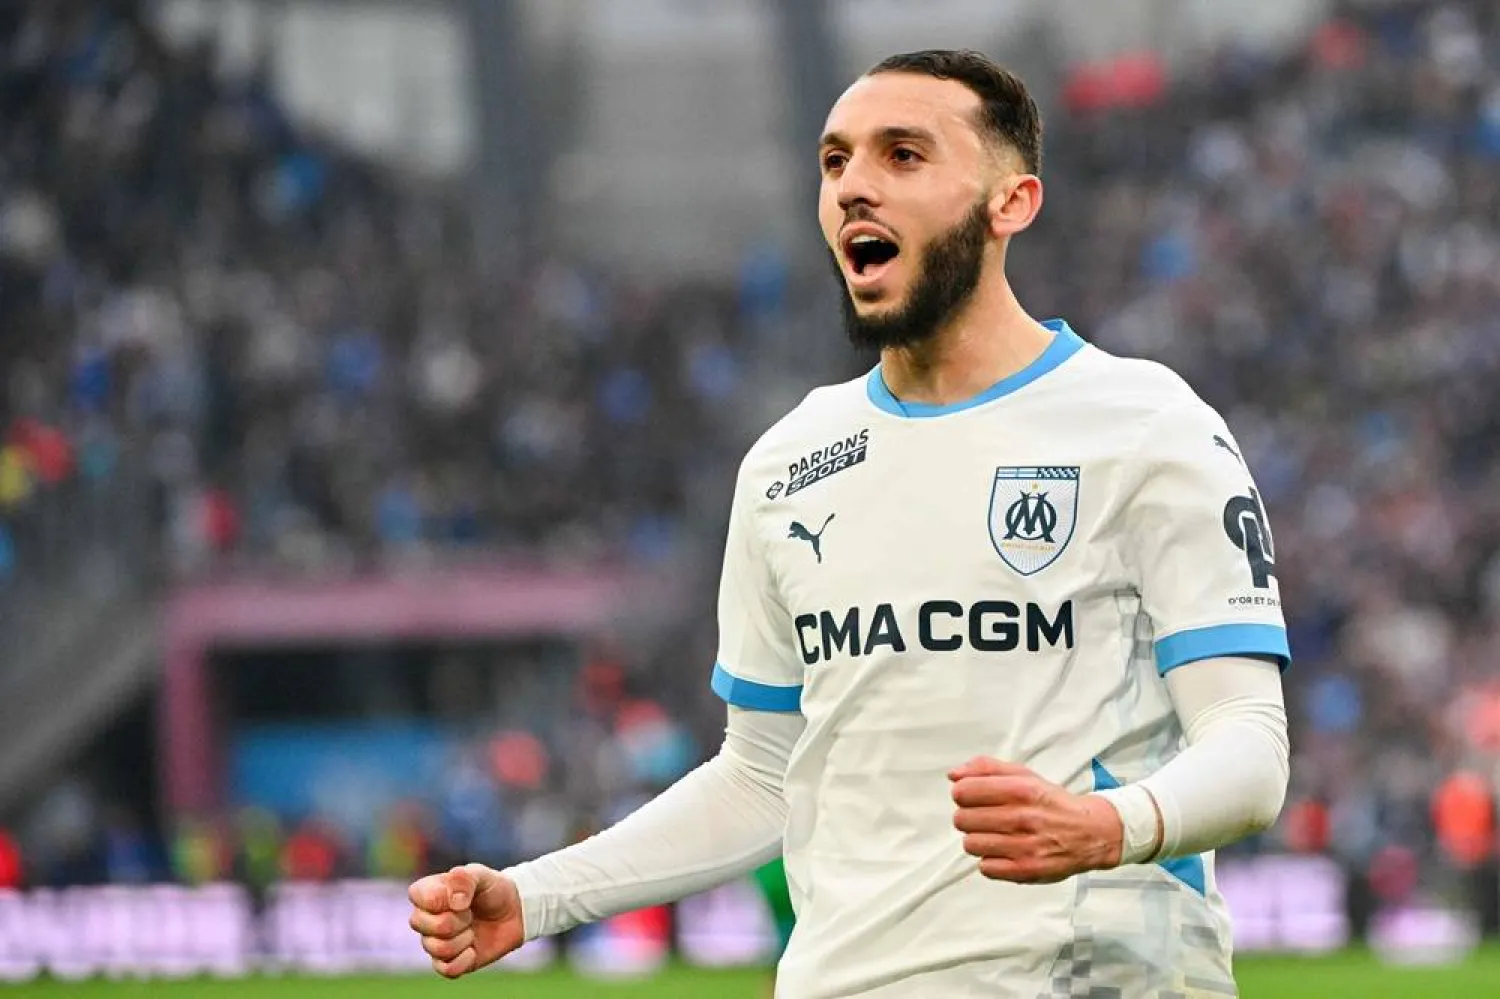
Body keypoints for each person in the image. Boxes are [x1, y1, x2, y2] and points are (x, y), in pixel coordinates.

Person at [408, 49, 1291, 996]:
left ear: (1012, 202)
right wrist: (535, 895)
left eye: (903, 155)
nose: (854, 187)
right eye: (835, 162)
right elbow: (759, 779)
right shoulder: (789, 463)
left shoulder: (1147, 425)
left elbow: (1249, 743)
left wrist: (1111, 826)